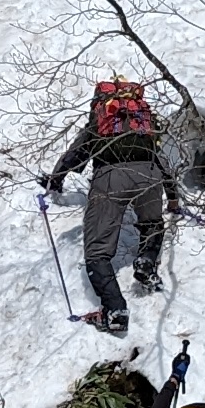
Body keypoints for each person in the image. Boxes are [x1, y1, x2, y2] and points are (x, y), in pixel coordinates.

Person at [44, 77, 176, 335]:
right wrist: (173, 197)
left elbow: (77, 152)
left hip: (110, 178)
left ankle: (115, 310)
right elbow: (161, 158)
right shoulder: (145, 121)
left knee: (97, 252)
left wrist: (55, 180)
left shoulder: (101, 120)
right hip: (149, 175)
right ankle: (146, 262)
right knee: (152, 224)